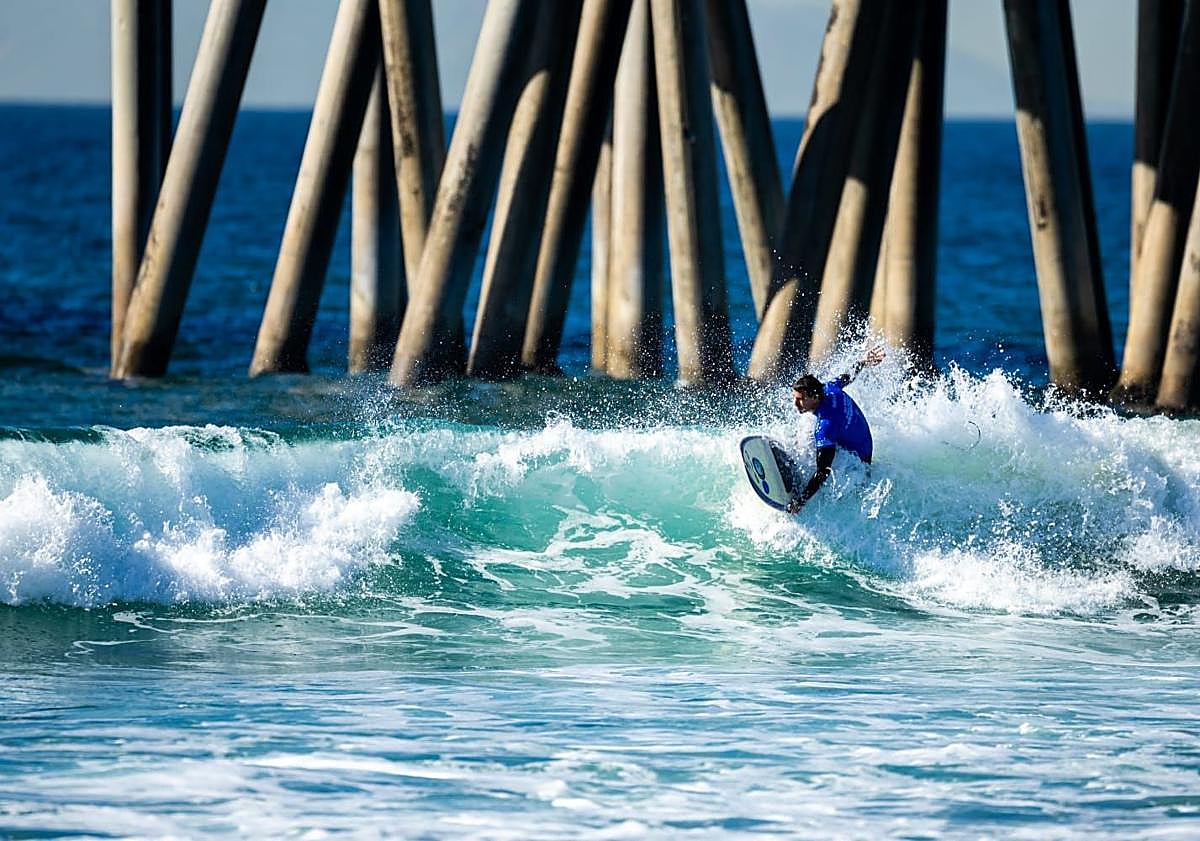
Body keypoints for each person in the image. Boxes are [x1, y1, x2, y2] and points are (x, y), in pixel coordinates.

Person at [786, 346, 885, 513]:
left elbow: (823, 472)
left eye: (800, 400)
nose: (795, 404)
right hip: (863, 441)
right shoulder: (829, 388)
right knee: (806, 426)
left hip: (858, 463)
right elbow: (847, 376)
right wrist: (864, 362)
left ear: (814, 397)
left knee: (817, 455)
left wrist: (800, 502)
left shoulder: (826, 426)